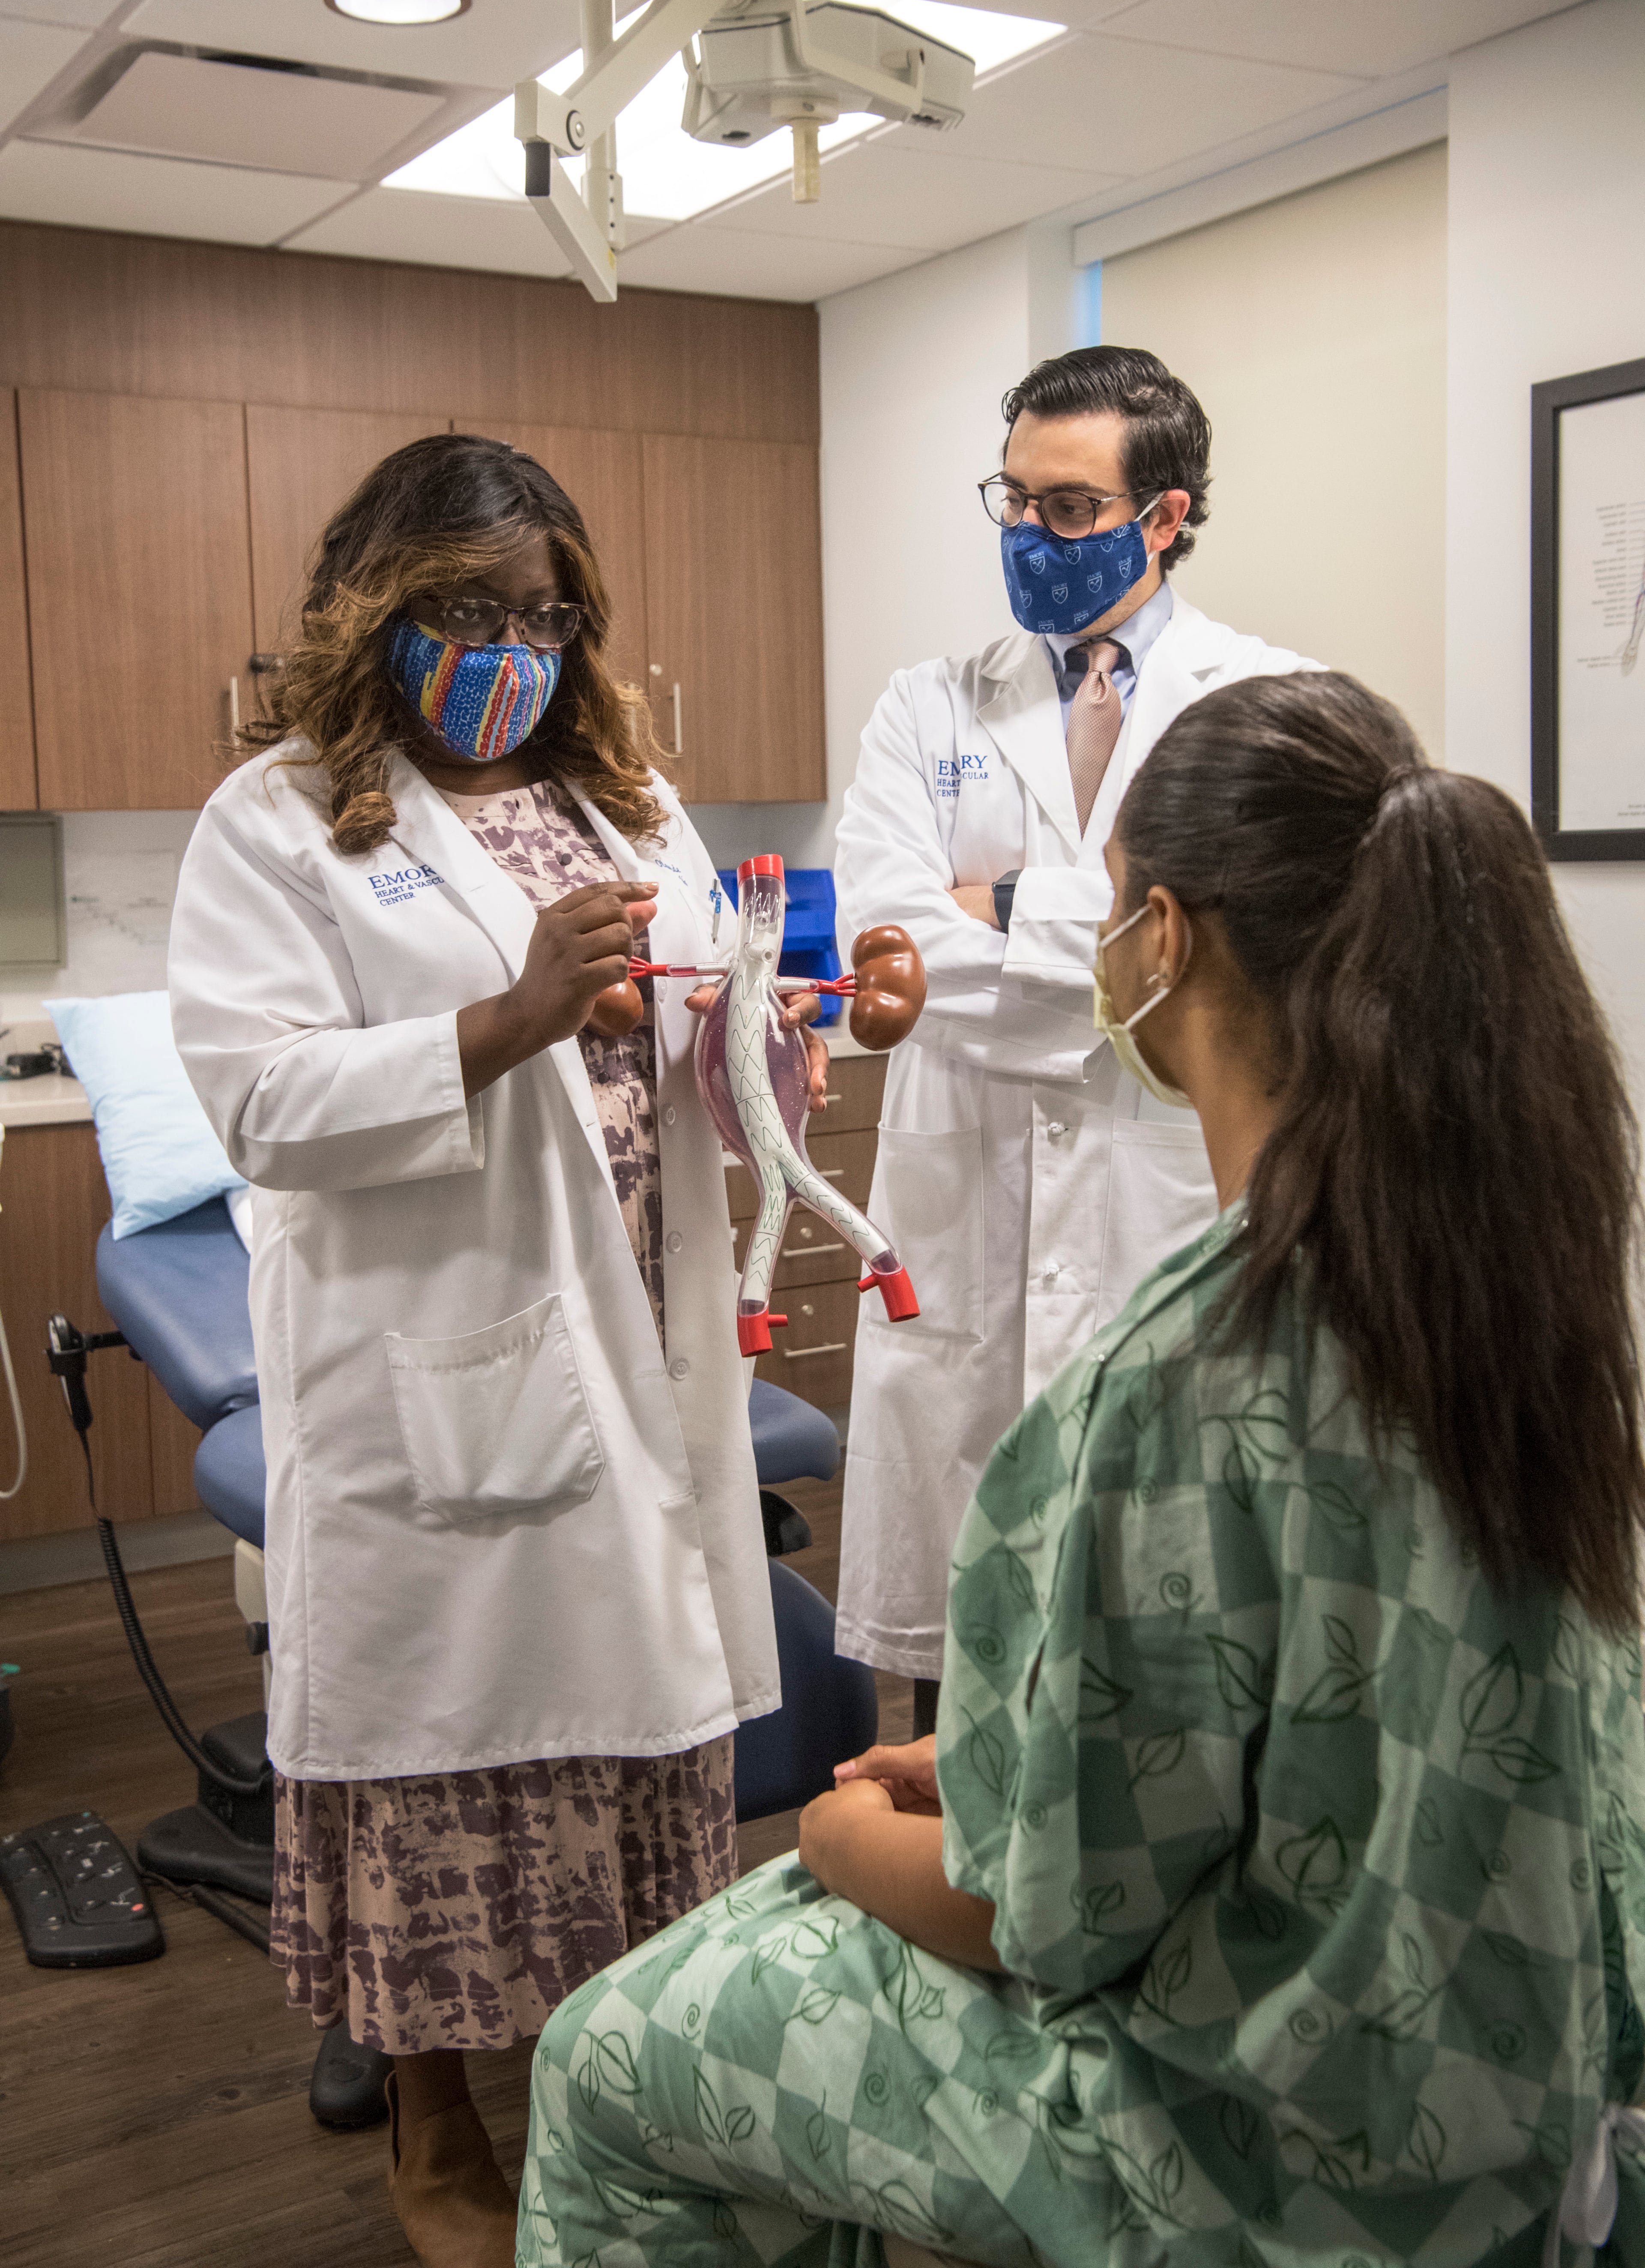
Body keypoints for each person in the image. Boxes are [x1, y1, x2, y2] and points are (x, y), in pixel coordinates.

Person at [514, 670, 1645, 2268]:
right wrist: (1003, 1767)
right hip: (1526, 2089)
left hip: (1279, 2156)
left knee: (608, 2056)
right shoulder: (1521, 1283)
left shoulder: (1187, 1375)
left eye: (1105, 908)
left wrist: (836, 1839)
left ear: (1160, 939)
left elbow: (1045, 1922)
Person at [169, 435, 826, 2268]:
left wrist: (791, 1030)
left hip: (643, 1334)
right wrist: (510, 1015)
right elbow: (260, 1101)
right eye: (470, 611)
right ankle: (435, 2118)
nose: (513, 652)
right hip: (444, 1355)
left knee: (638, 1740)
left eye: (545, 617)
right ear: (374, 608)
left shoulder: (630, 801)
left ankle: (628, 2086)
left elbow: (702, 1044)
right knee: (443, 1760)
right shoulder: (285, 815)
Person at [833, 344, 1318, 1721]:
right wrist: (1127, 937)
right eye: (1014, 499)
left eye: (1068, 508)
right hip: (965, 1215)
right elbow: (888, 937)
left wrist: (997, 906)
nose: (1029, 533)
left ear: (1164, 517)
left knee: (1166, 1665)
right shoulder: (927, 704)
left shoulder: (1265, 704)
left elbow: (1247, 944)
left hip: (1158, 1203)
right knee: (959, 1687)